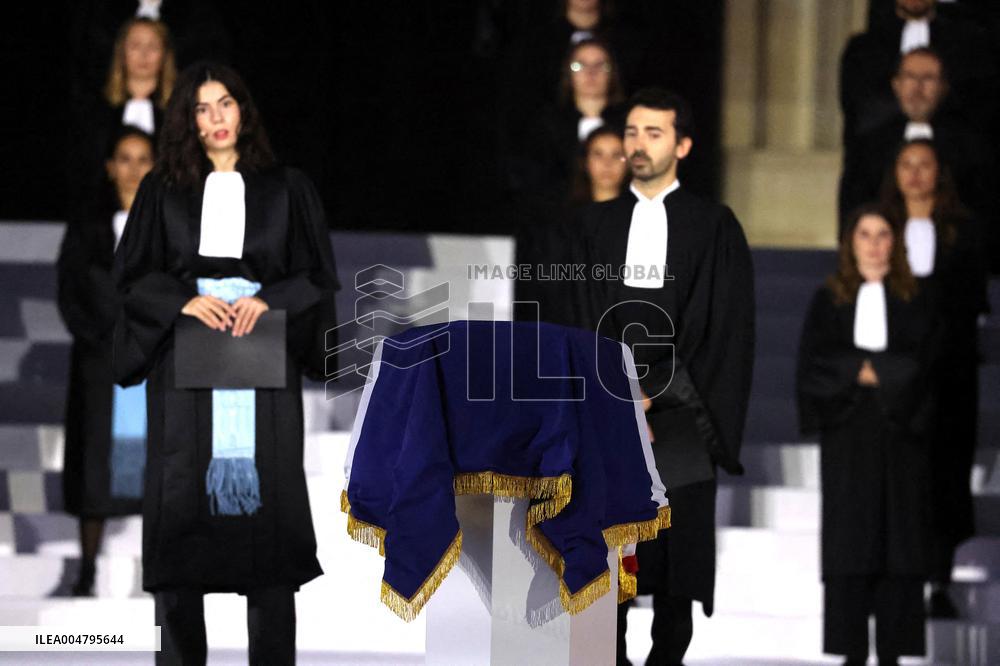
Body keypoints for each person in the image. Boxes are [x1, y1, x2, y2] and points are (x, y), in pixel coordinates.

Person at [112, 62, 339, 665]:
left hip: (261, 358)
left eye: (226, 104)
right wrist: (182, 299)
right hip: (184, 365)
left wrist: (268, 299)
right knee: (181, 509)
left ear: (244, 110)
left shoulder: (287, 187)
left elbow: (316, 273)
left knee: (268, 518)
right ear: (187, 120)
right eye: (202, 108)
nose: (216, 118)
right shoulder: (162, 189)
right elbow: (132, 274)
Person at [579, 88, 755, 665]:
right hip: (608, 411)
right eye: (631, 131)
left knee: (676, 563)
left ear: (682, 145)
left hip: (683, 411)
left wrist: (655, 395)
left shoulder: (713, 227)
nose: (638, 144)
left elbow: (723, 330)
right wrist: (618, 395)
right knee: (608, 553)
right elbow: (578, 319)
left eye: (653, 133)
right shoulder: (594, 227)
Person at [797, 206, 936, 666]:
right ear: (850, 243)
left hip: (902, 435)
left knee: (900, 541)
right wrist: (860, 370)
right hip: (848, 435)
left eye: (883, 235)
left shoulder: (917, 300)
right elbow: (813, 365)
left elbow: (930, 363)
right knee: (849, 542)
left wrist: (878, 374)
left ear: (895, 243)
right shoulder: (828, 300)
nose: (874, 245)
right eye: (865, 234)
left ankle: (893, 652)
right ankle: (851, 652)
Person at [880, 139, 989, 617]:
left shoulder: (963, 229)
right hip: (894, 373)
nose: (915, 174)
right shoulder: (879, 226)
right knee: (899, 475)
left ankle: (938, 580)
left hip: (948, 372)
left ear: (940, 172)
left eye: (925, 164)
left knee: (944, 473)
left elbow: (971, 297)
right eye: (907, 164)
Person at [57, 126, 155, 597]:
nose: (133, 169)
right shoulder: (87, 225)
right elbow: (69, 289)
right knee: (94, 464)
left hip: (150, 362)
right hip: (98, 364)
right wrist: (97, 339)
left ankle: (158, 571)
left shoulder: (166, 225)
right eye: (125, 158)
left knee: (153, 465)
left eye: (143, 159)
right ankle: (87, 569)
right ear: (110, 167)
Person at [838, 47, 994, 233]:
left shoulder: (970, 144)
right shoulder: (870, 144)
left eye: (928, 78)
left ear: (943, 87)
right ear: (896, 85)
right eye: (910, 77)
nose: (917, 88)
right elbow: (853, 203)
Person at [515, 125, 629, 328]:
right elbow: (549, 285)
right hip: (572, 327)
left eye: (616, 155)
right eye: (598, 154)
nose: (607, 164)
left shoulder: (641, 219)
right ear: (585, 162)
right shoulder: (564, 224)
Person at [840, 0, 996, 146]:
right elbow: (857, 112)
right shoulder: (863, 48)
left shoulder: (968, 44)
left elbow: (978, 107)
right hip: (880, 152)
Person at [70, 17, 176, 206]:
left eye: (152, 47)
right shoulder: (96, 111)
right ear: (121, 52)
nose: (144, 54)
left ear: (165, 54)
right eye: (135, 46)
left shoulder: (178, 113)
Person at [517, 38, 626, 202]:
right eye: (579, 66)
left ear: (613, 73)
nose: (591, 73)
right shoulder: (547, 124)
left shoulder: (629, 122)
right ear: (567, 73)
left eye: (601, 65)